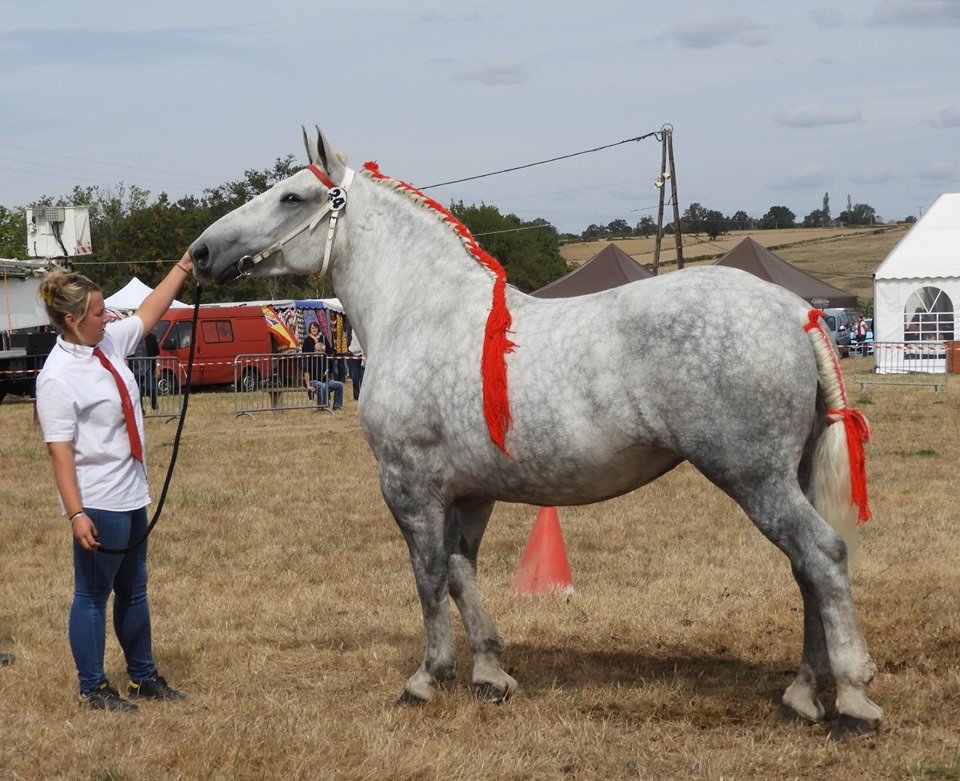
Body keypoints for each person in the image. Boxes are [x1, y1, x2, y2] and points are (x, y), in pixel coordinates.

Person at [35, 253, 194, 712]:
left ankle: (143, 677)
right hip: (98, 500)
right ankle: (94, 689)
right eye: (100, 312)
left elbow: (148, 313)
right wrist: (76, 513)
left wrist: (183, 267)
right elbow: (59, 452)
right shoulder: (58, 378)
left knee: (134, 590)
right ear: (71, 319)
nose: (110, 318)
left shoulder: (106, 344)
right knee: (92, 595)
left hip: (131, 495)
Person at [346, 328, 364, 401]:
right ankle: (356, 396)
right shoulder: (352, 329)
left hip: (362, 356)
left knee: (363, 377)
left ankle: (363, 396)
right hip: (353, 355)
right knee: (355, 378)